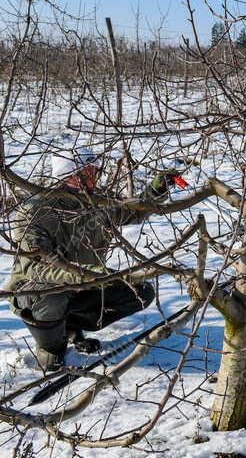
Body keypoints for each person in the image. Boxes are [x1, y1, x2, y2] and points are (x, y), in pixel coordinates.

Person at [6, 147, 182, 371]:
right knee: (52, 296)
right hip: (34, 290)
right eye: (88, 171)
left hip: (85, 282)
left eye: (95, 171)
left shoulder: (97, 202)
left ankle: (70, 327)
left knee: (140, 292)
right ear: (69, 174)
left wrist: (156, 191)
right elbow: (34, 269)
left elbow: (132, 212)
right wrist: (86, 273)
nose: (95, 176)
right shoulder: (35, 211)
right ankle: (51, 348)